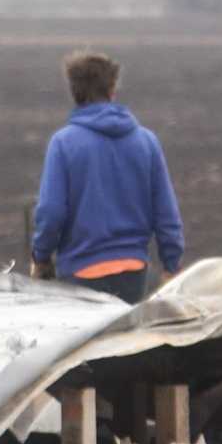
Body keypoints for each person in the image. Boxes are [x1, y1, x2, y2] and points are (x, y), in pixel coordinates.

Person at [29, 50, 185, 304]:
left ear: (74, 91)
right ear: (112, 90)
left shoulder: (64, 143)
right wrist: (171, 264)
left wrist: (41, 257)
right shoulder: (146, 141)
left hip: (80, 273)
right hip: (133, 271)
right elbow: (166, 214)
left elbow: (51, 211)